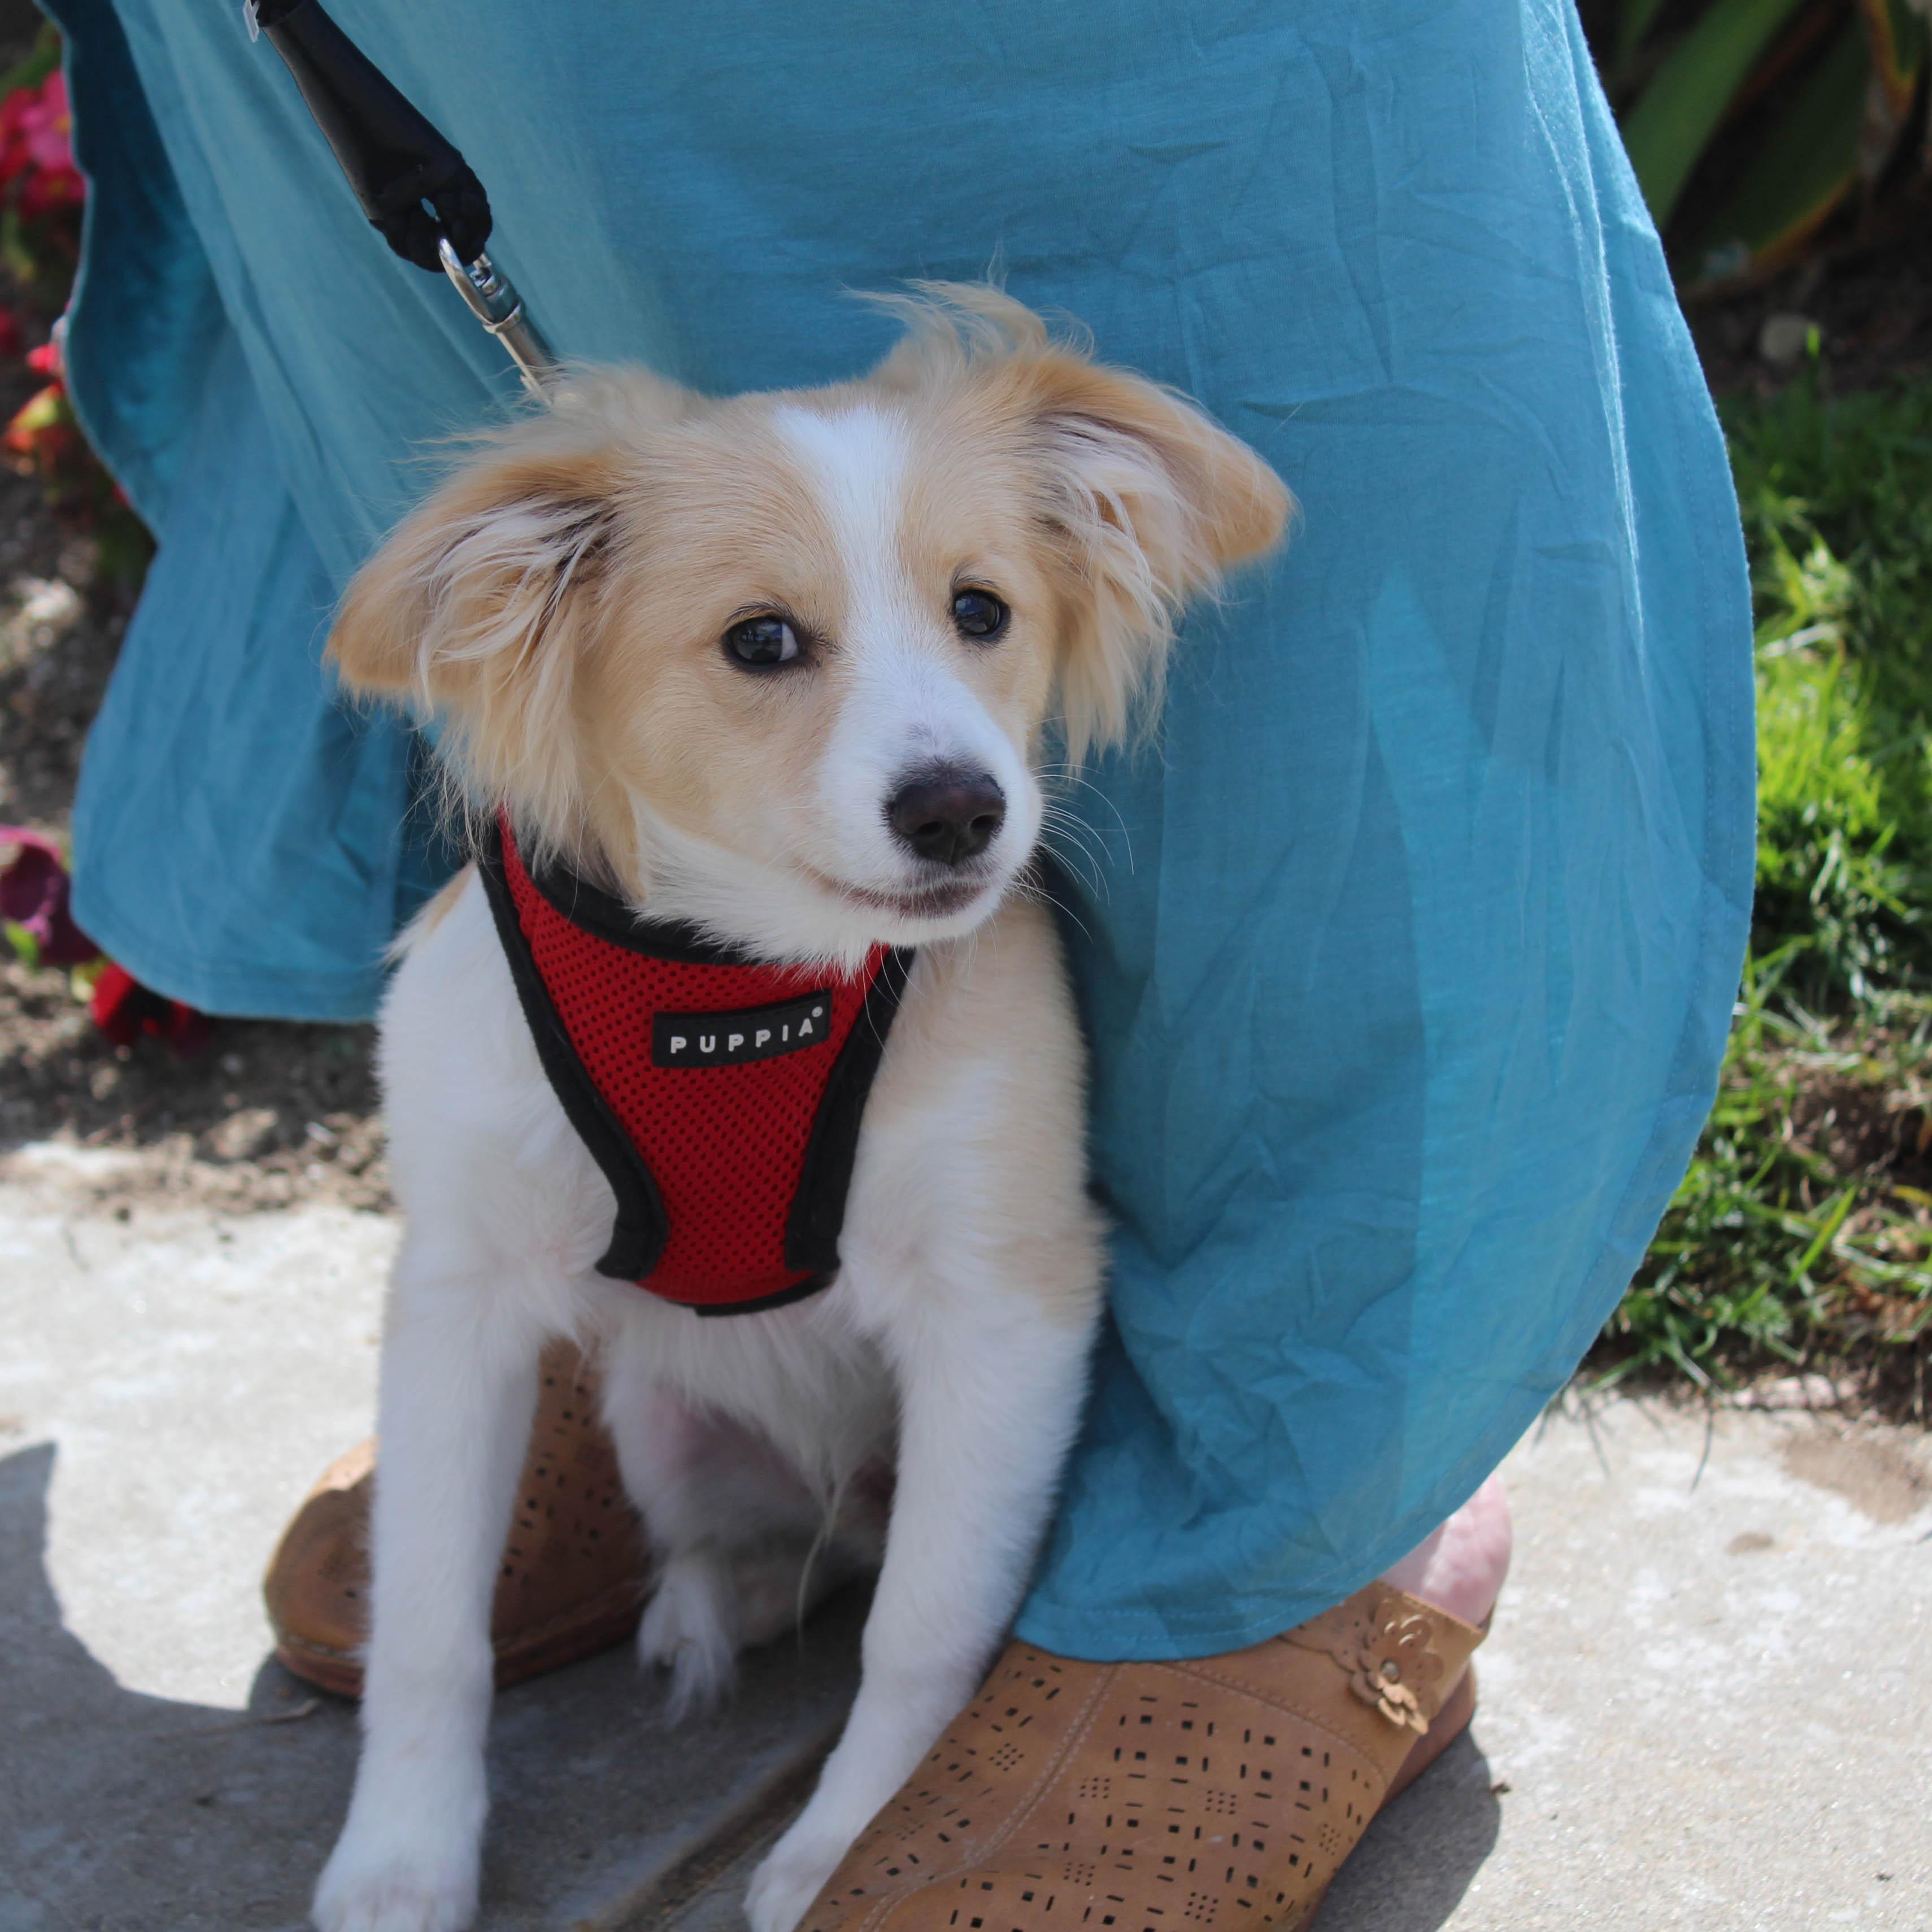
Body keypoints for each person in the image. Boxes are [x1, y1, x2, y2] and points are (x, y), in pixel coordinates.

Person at [51, 0, 1750, 1921]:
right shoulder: (496, 982)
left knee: (993, 1291)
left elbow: (1005, 1303)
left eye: (975, 613)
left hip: (922, 1330)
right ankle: (608, 1523)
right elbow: (456, 1290)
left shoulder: (975, 959)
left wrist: (886, 1747)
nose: (939, 761)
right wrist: (412, 1775)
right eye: (768, 642)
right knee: (492, 1275)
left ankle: (1144, 1616)